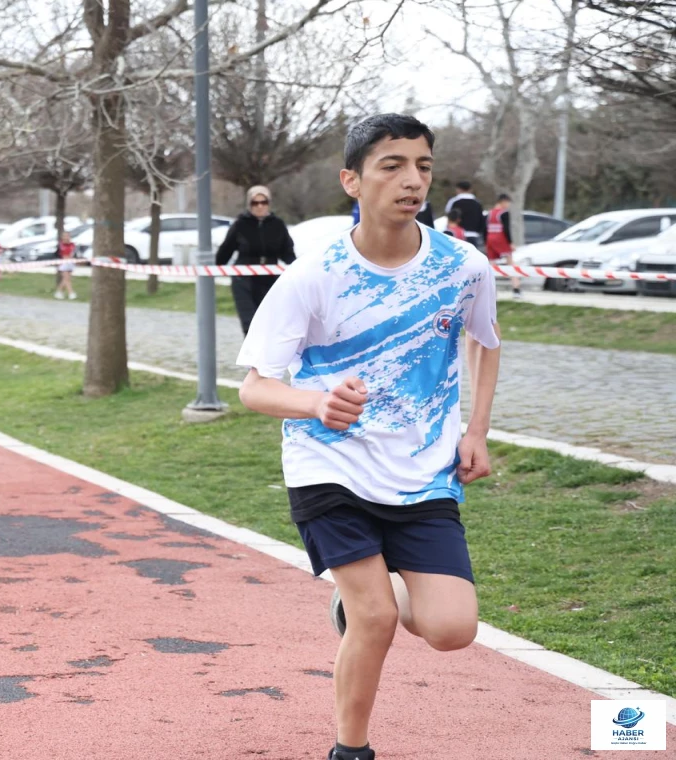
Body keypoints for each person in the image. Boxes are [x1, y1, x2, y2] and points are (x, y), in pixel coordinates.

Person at [236, 114, 501, 760]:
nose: (413, 180)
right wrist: (317, 403)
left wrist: (477, 430)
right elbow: (255, 387)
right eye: (392, 166)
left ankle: (370, 593)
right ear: (352, 181)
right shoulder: (314, 275)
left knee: (452, 629)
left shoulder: (463, 266)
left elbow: (486, 341)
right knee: (375, 618)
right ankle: (350, 749)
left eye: (423, 166)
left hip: (423, 472)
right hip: (330, 466)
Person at [216, 185, 296, 334]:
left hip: (270, 279)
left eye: (263, 202)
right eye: (255, 203)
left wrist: (296, 269)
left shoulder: (278, 225)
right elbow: (226, 249)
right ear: (249, 204)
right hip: (244, 280)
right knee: (250, 324)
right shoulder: (240, 224)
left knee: (270, 323)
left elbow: (287, 252)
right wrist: (216, 268)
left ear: (268, 203)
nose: (260, 206)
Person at [485, 193, 522, 298]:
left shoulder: (489, 213)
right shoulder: (504, 213)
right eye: (508, 203)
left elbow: (485, 229)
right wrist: (510, 243)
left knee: (492, 265)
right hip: (501, 239)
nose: (508, 205)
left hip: (490, 238)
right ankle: (516, 289)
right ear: (503, 201)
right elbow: (506, 229)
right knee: (510, 263)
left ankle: (491, 291)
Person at [443, 180, 485, 252]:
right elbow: (481, 219)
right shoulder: (477, 203)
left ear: (459, 189)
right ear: (470, 189)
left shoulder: (454, 201)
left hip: (457, 234)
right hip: (473, 235)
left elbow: (448, 214)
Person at [54, 230, 78, 300]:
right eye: (64, 236)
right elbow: (57, 254)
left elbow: (74, 254)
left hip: (71, 263)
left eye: (67, 236)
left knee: (66, 279)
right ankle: (71, 293)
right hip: (63, 263)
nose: (66, 237)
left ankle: (59, 292)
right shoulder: (60, 245)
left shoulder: (73, 245)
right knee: (67, 279)